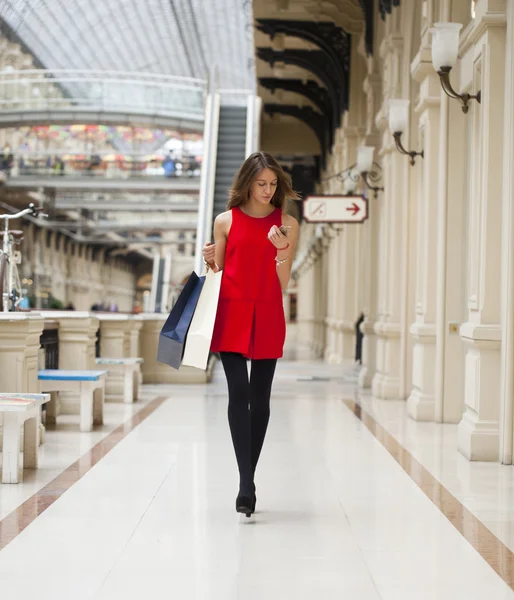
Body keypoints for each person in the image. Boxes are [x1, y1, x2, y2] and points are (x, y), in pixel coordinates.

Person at [202, 151, 300, 518]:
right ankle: (246, 483)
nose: (268, 190)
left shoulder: (286, 223)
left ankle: (248, 477)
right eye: (261, 183)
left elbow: (283, 282)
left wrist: (281, 250)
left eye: (273, 184)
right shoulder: (225, 220)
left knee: (260, 400)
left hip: (268, 311)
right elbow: (219, 271)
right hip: (231, 310)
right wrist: (210, 258)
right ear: (247, 183)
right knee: (238, 392)